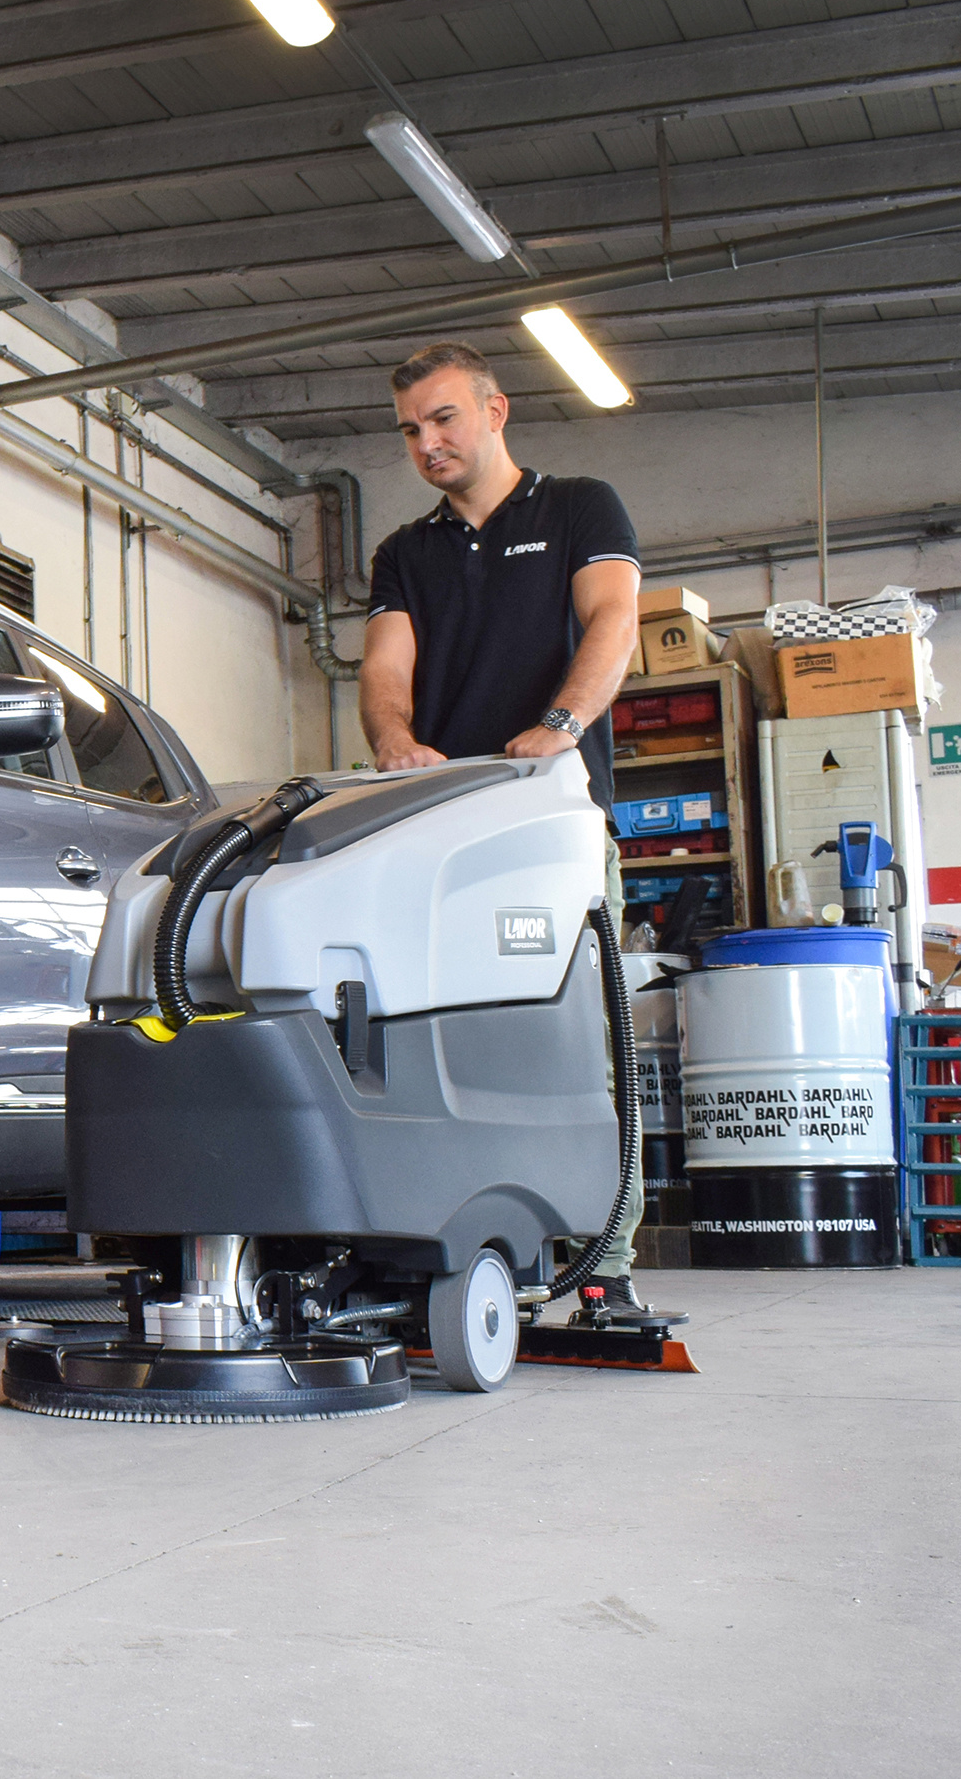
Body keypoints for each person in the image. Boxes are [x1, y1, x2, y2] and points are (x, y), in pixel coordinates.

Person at [358, 340, 682, 1330]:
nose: (428, 443)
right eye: (411, 429)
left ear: (495, 412)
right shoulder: (405, 553)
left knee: (587, 1037)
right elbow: (384, 671)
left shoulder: (580, 507)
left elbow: (612, 625)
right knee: (438, 1037)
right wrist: (398, 743)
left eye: (444, 418)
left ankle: (605, 1265)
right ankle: (451, 1249)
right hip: (446, 832)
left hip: (557, 821)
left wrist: (563, 727)